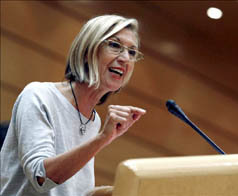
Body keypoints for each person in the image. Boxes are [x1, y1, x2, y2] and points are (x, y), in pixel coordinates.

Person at [0, 15, 146, 196]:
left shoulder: (94, 122)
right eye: (115, 45)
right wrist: (102, 139)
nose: (125, 58)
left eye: (132, 52)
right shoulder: (39, 95)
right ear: (87, 51)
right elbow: (42, 178)